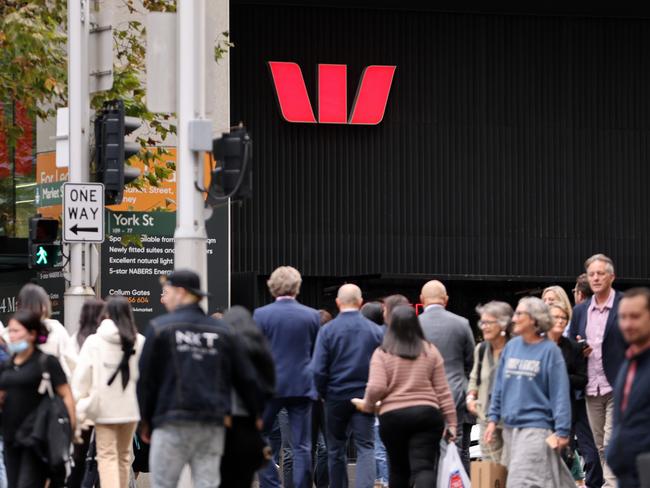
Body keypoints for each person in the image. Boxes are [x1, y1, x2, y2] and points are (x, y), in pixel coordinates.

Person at [137, 269, 261, 488]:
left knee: (164, 483)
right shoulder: (223, 332)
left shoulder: (159, 328)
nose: (162, 298)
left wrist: (145, 420)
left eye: (167, 291)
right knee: (207, 482)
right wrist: (254, 416)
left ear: (181, 292)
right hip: (211, 422)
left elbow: (146, 380)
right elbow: (246, 378)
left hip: (170, 421)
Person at [352, 305, 457, 488]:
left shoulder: (383, 352)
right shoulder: (430, 350)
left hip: (393, 416)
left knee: (398, 469)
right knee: (423, 467)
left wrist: (368, 405)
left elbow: (376, 386)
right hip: (427, 414)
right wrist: (452, 423)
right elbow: (443, 390)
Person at [485, 297, 574, 487]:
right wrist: (492, 419)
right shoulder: (511, 347)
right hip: (510, 429)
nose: (514, 319)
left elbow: (560, 394)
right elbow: (499, 386)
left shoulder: (550, 351)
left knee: (520, 482)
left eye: (519, 314)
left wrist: (562, 430)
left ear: (534, 319)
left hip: (536, 429)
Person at [311, 284, 384, 488]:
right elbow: (383, 367)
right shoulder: (375, 331)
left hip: (335, 396)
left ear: (337, 302)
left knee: (335, 449)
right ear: (361, 302)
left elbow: (318, 370)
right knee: (365, 447)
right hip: (364, 396)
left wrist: (324, 393)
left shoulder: (327, 331)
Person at [253, 266, 320, 488]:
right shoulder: (311, 316)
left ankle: (271, 483)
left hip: (270, 387)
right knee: (302, 445)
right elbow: (314, 354)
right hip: (302, 385)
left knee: (259, 438)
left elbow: (257, 353)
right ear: (297, 287)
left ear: (272, 287)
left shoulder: (261, 315)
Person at [72, 297, 145, 487]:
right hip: (130, 409)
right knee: (123, 456)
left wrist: (78, 403)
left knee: (107, 457)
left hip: (105, 409)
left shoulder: (94, 341)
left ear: (106, 314)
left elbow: (81, 378)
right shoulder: (139, 341)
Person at [569, 254, 627, 488]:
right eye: (591, 274)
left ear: (612, 277)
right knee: (600, 443)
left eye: (600, 273)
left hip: (617, 383)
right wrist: (579, 348)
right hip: (591, 385)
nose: (595, 278)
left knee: (612, 439)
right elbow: (571, 342)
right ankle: (614, 481)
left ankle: (610, 485)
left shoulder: (624, 305)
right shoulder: (581, 311)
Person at [0, 310, 75, 487]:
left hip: (36, 437)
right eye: (10, 331)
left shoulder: (46, 362)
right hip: (10, 437)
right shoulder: (7, 365)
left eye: (16, 331)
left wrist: (69, 433)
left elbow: (66, 396)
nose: (12, 336)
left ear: (32, 334)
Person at [417, 280, 475, 472]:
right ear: (446, 299)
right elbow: (471, 362)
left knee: (425, 450)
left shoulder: (413, 326)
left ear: (422, 299)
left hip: (422, 395)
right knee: (453, 447)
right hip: (455, 394)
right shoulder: (461, 324)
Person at [220, 306, 276, 488]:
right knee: (245, 477)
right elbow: (269, 387)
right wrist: (259, 413)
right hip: (248, 423)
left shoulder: (220, 348)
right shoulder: (261, 349)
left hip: (222, 423)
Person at [606, 288, 650, 488]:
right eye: (622, 317)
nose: (627, 324)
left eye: (635, 317)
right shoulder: (628, 362)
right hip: (627, 476)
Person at [466, 301, 513, 464]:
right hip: (485, 417)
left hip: (511, 420)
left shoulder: (516, 349)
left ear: (503, 324)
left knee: (510, 466)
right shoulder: (481, 349)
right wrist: (470, 397)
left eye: (488, 322)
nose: (483, 327)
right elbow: (474, 378)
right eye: (482, 322)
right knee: (491, 467)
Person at [66, 297, 105, 488]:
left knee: (79, 457)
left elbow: (73, 375)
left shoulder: (75, 340)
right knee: (104, 456)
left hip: (81, 407)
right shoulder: (104, 340)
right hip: (105, 408)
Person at [548, 303, 588, 480]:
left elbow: (582, 380)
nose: (559, 321)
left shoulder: (573, 347)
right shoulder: (535, 345)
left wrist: (561, 375)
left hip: (565, 410)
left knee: (564, 459)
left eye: (563, 318)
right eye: (555, 317)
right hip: (539, 411)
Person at [16, 283, 74, 378]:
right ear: (44, 306)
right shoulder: (55, 328)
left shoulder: (9, 332)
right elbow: (71, 361)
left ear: (19, 305)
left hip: (19, 387)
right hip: (50, 386)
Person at [361, 300, 389, 486]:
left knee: (375, 447)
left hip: (372, 396)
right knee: (380, 447)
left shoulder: (369, 337)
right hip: (383, 397)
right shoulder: (387, 336)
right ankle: (383, 481)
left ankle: (382, 481)